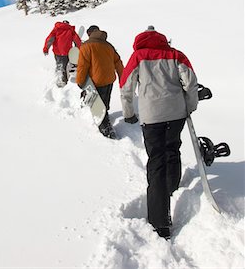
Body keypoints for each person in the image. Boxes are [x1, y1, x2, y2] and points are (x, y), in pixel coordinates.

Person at [120, 25, 198, 239]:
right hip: (176, 114)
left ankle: (159, 222)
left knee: (156, 160)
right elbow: (191, 83)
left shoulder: (138, 56)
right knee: (173, 148)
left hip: (151, 116)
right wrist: (190, 106)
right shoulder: (175, 54)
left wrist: (128, 113)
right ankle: (172, 187)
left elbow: (125, 85)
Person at [76, 27, 124, 139]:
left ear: (90, 34)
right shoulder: (109, 46)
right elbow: (118, 62)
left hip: (96, 81)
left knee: (97, 105)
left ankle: (106, 128)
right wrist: (123, 77)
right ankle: (105, 115)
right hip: (109, 79)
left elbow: (83, 65)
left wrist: (80, 81)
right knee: (105, 101)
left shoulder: (87, 46)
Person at [43, 20, 82, 86]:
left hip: (57, 52)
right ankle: (63, 79)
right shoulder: (70, 30)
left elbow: (49, 39)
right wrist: (78, 48)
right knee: (65, 65)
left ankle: (61, 78)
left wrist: (46, 49)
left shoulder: (56, 29)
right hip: (67, 52)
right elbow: (77, 40)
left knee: (60, 64)